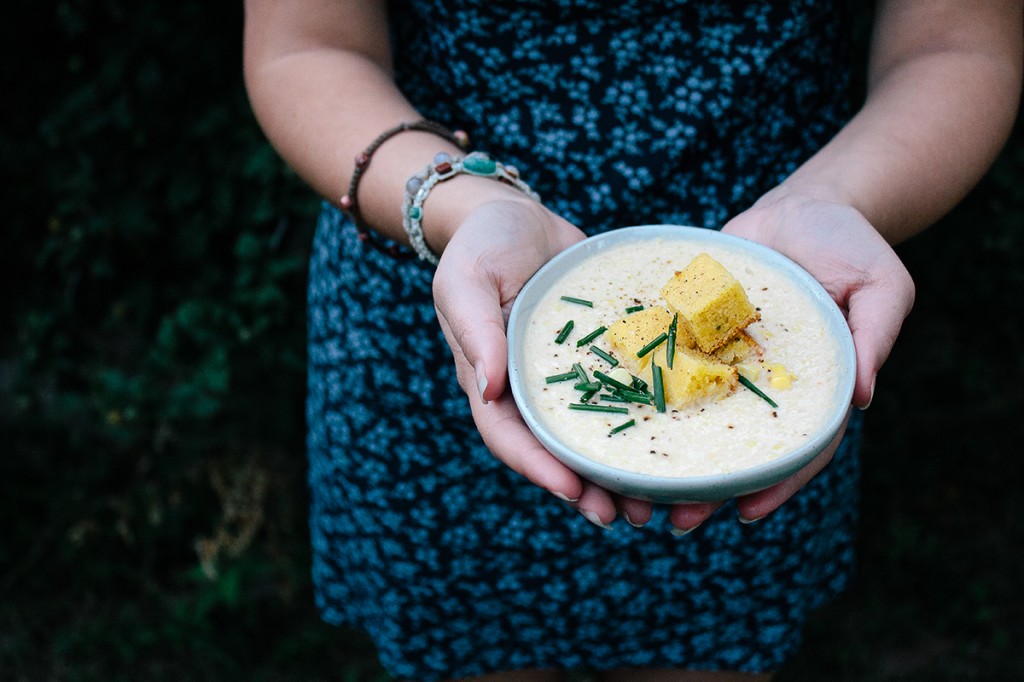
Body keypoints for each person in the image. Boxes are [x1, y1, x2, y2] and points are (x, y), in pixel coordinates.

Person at [242, 1, 1022, 680]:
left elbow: (956, 42)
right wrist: (460, 202)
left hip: (785, 287)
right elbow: (305, 44)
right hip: (450, 308)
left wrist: (834, 197)